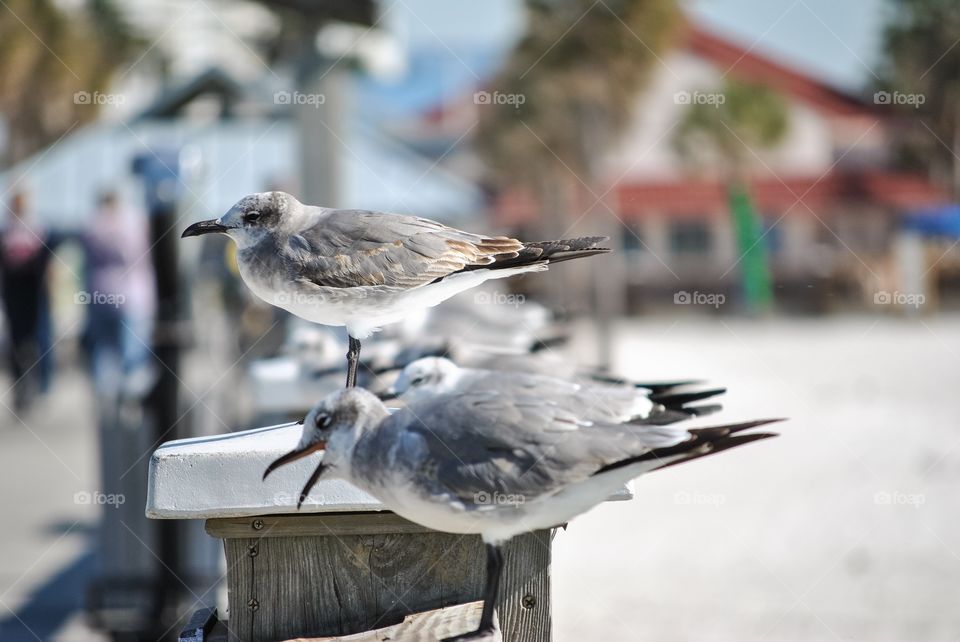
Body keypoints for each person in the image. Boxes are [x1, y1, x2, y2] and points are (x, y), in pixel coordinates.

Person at [82, 190, 156, 399]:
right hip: (132, 296)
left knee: (104, 353)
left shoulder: (91, 226)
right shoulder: (134, 222)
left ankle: (106, 401)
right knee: (133, 358)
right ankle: (131, 405)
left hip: (99, 296)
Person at [0, 191, 53, 412]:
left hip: (35, 296)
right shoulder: (6, 233)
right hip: (14, 296)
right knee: (16, 342)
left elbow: (48, 264)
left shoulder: (39, 229)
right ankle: (21, 387)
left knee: (37, 340)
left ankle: (39, 385)